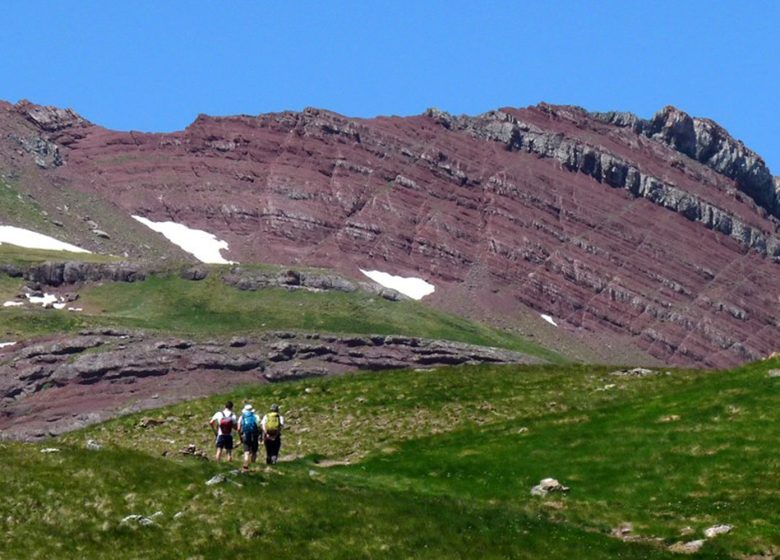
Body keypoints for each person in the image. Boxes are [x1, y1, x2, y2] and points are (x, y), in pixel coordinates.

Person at [238, 403, 260, 471]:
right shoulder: (256, 416)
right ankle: (253, 465)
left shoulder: (242, 417)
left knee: (246, 451)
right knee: (254, 451)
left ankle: (246, 465)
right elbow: (259, 426)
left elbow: (238, 428)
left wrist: (240, 436)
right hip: (254, 435)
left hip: (245, 435)